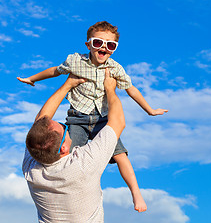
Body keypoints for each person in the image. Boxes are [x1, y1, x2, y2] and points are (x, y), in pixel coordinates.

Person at [18, 21, 167, 212]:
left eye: (110, 45)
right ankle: (69, 192)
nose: (104, 47)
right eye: (98, 43)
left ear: (114, 49)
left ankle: (136, 193)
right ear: (88, 44)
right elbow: (55, 71)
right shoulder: (75, 61)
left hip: (102, 119)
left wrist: (149, 110)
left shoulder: (115, 69)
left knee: (121, 155)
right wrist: (32, 78)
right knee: (65, 156)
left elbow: (131, 89)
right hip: (77, 117)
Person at [22, 70, 126, 222]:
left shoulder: (31, 168)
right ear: (63, 148)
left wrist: (68, 85)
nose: (65, 126)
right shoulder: (83, 164)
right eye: (63, 127)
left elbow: (40, 121)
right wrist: (110, 90)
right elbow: (118, 122)